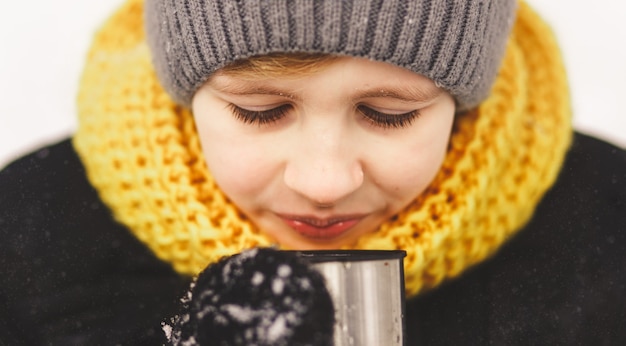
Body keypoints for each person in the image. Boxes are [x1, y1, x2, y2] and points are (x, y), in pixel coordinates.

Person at [1, 0, 625, 344]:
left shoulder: (605, 221)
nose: (324, 182)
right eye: (260, 110)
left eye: (388, 114)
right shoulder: (26, 235)